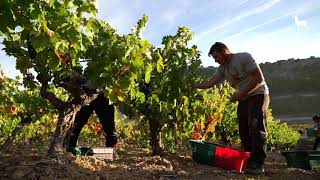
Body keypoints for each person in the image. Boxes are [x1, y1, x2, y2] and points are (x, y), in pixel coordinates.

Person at [194, 42, 269, 175]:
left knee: (256, 126)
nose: (216, 60)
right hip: (243, 98)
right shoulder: (222, 68)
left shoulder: (243, 57)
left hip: (258, 94)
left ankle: (258, 164)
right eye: (214, 58)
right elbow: (210, 83)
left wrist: (241, 93)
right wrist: (194, 85)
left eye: (216, 56)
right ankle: (249, 161)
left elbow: (258, 78)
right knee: (244, 129)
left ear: (225, 51)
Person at [65, 78, 118, 153]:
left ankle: (111, 151)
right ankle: (69, 149)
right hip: (86, 91)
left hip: (105, 91)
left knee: (109, 124)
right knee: (77, 123)